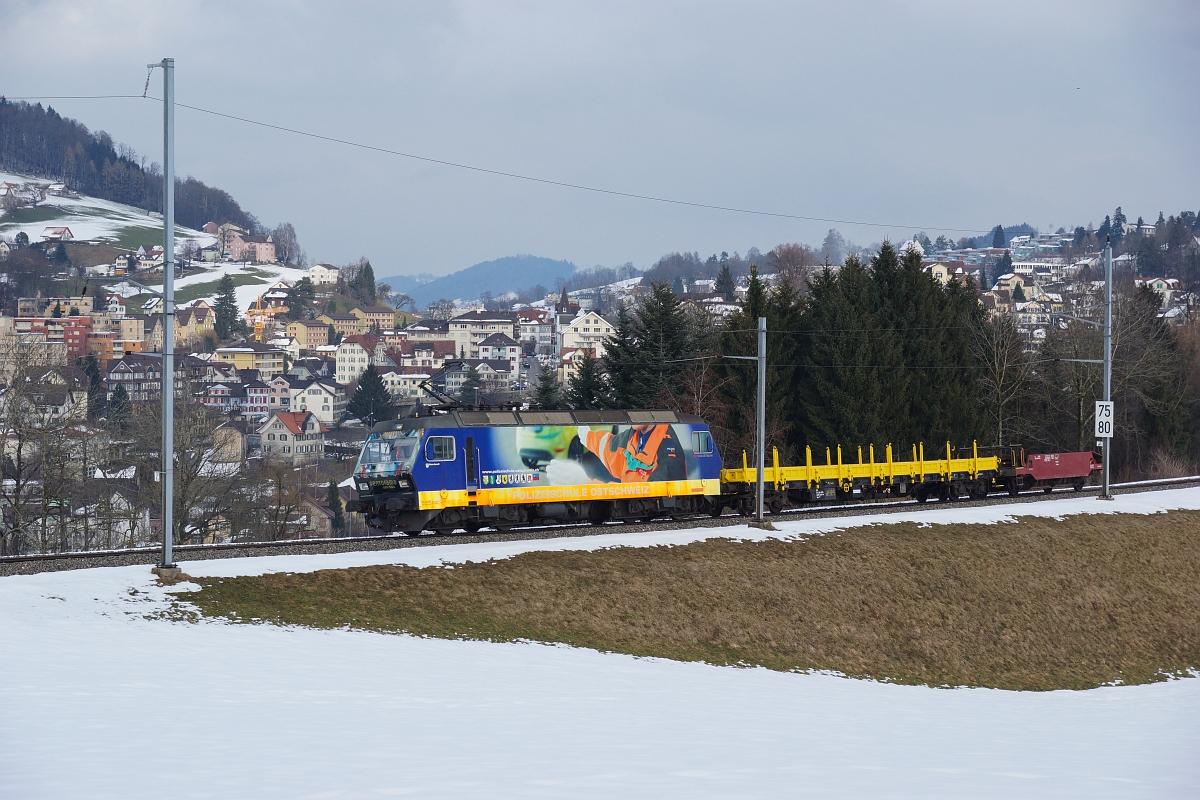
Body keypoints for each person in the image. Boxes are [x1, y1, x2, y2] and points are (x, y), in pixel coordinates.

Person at [574, 424, 688, 483]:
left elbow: (662, 481)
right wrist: (587, 437)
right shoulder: (631, 436)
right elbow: (609, 447)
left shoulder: (669, 449)